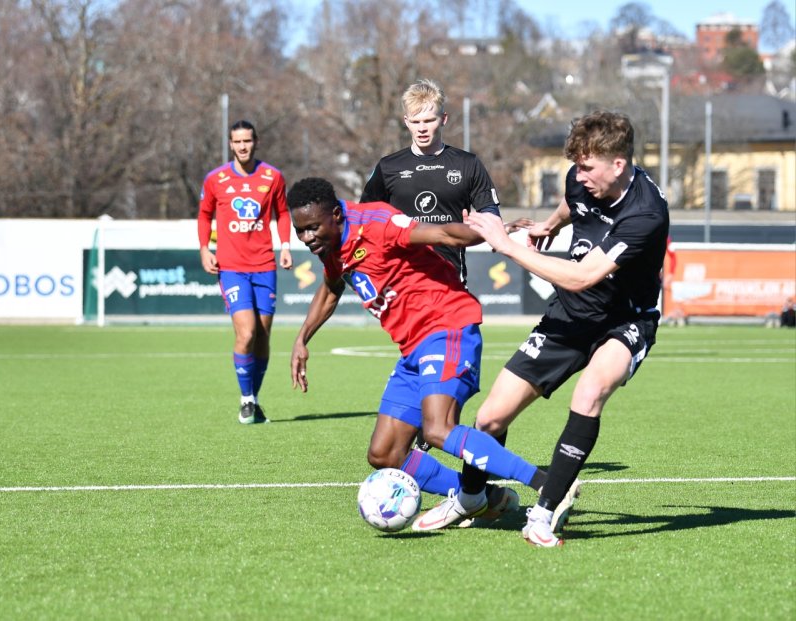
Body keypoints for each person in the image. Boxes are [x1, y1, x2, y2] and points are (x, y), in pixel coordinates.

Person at [421, 110, 669, 547]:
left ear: (619, 164)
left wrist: (505, 245)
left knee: (589, 392)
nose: (579, 175)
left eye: (588, 167)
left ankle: (546, 509)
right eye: (575, 165)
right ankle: (472, 497)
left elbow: (580, 275)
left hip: (627, 319)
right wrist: (547, 226)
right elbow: (572, 204)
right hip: (572, 314)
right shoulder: (582, 179)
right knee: (490, 416)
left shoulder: (646, 212)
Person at [287, 177, 556, 531]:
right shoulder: (332, 247)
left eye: (312, 228)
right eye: (300, 231)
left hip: (447, 327)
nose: (307, 239)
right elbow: (331, 287)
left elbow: (444, 235)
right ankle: (481, 498)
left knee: (437, 429)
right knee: (385, 454)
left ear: (335, 215)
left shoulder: (376, 224)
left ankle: (550, 486)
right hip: (412, 348)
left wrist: (496, 234)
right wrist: (302, 338)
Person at [359, 78, 503, 285]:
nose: (422, 129)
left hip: (450, 278)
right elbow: (365, 216)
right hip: (400, 280)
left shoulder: (467, 163)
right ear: (406, 121)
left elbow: (490, 210)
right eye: (416, 122)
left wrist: (488, 230)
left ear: (443, 119)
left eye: (428, 120)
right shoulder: (388, 166)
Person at [198, 120, 293, 424]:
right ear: (230, 144)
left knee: (263, 336)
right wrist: (204, 248)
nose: (243, 146)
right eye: (237, 142)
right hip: (231, 268)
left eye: (247, 141)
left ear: (256, 142)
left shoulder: (272, 176)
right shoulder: (216, 179)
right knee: (247, 331)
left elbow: (283, 213)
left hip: (264, 265)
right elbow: (204, 214)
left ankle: (254, 401)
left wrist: (287, 245)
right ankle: (246, 399)